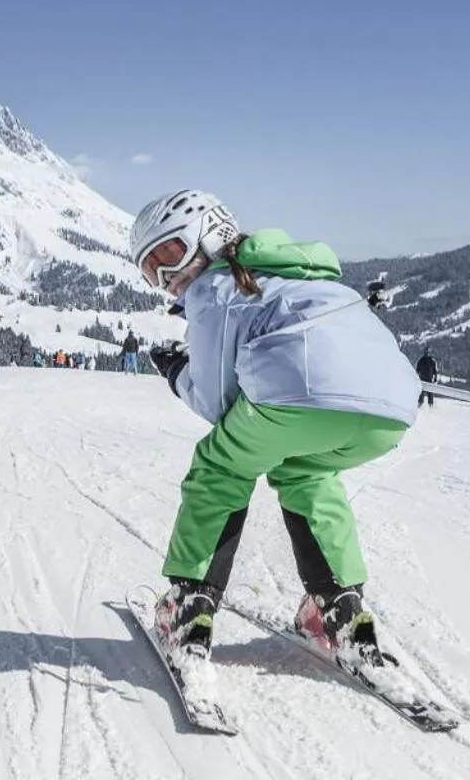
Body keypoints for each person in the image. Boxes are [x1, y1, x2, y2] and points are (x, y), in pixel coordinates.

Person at [127, 189, 419, 675]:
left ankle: (188, 609)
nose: (165, 277)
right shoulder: (300, 272)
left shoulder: (214, 290)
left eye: (169, 254)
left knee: (221, 465)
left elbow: (218, 404)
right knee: (307, 473)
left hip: (298, 395)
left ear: (209, 234)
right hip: (390, 411)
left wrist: (177, 373)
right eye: (149, 269)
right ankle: (339, 613)